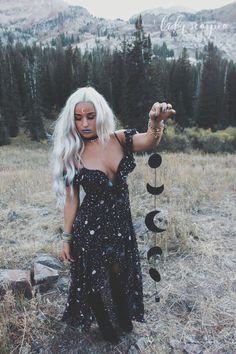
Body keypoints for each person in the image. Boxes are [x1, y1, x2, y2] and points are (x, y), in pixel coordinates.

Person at [52, 86, 175, 344]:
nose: (84, 123)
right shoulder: (72, 155)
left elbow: (150, 140)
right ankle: (105, 326)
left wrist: (154, 122)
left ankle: (122, 315)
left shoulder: (118, 139)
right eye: (78, 117)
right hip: (90, 228)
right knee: (95, 278)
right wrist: (66, 238)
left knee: (120, 271)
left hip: (120, 225)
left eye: (90, 115)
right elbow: (72, 199)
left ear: (101, 114)